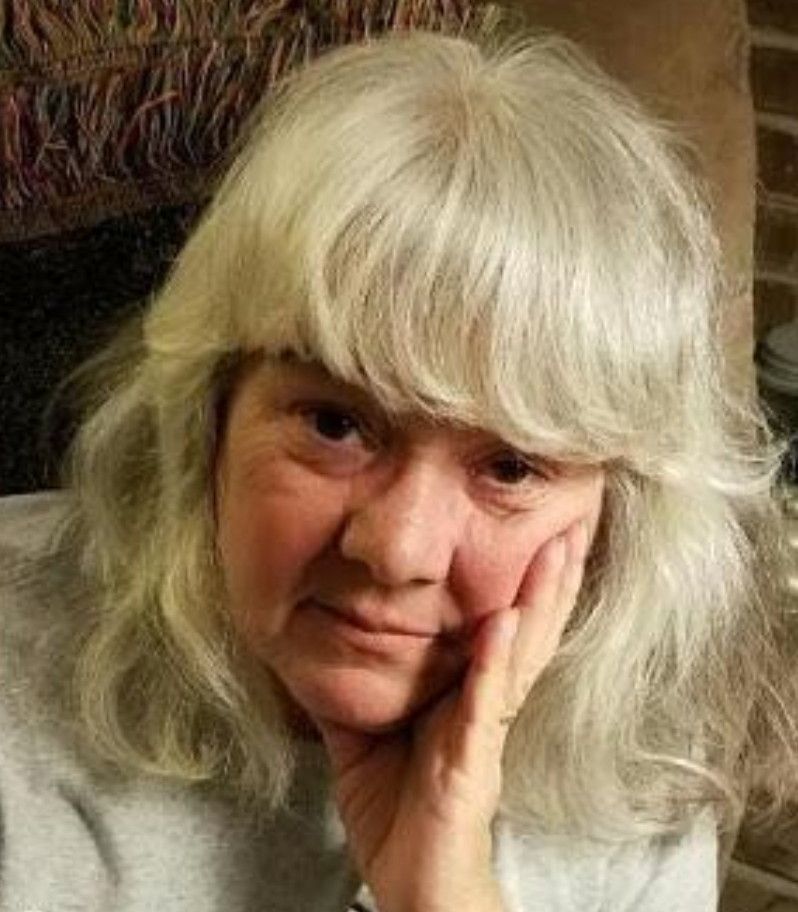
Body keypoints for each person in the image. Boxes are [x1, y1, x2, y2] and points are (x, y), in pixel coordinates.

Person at [2, 20, 797, 912]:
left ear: (619, 517)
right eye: (335, 424)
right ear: (210, 414)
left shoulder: (641, 781)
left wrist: (445, 893)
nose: (398, 550)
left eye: (510, 467)